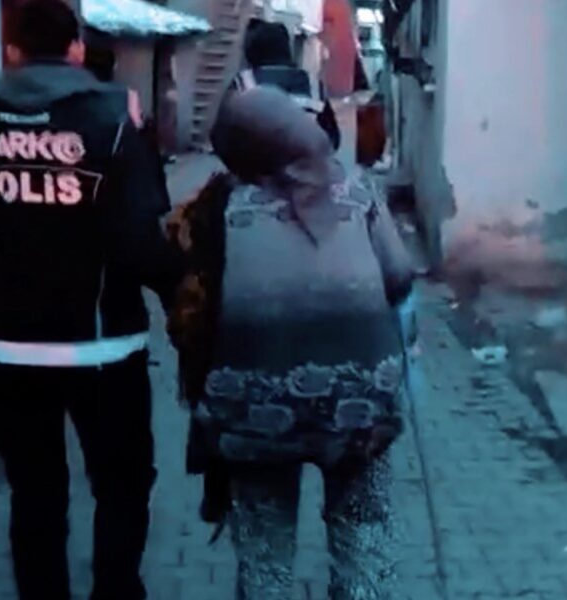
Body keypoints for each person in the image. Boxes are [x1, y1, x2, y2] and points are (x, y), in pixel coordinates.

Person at [0, 1, 182, 599]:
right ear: (76, 51)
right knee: (121, 484)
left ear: (11, 52)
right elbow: (141, 239)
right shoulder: (112, 121)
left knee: (36, 491)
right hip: (103, 348)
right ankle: (116, 591)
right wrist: (183, 302)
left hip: (7, 350)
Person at [166, 87, 417, 600]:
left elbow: (190, 303)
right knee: (363, 534)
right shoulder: (358, 191)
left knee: (265, 552)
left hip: (255, 409)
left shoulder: (220, 206)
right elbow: (400, 280)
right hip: (361, 405)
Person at [232, 19, 342, 150]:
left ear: (250, 50)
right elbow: (332, 138)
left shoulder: (243, 83)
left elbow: (224, 136)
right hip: (306, 157)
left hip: (257, 158)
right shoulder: (314, 85)